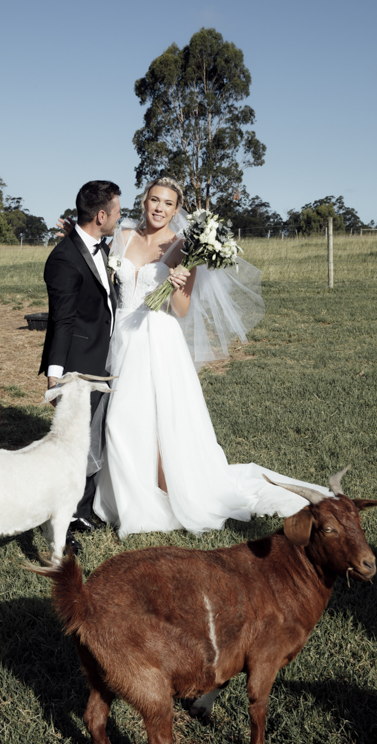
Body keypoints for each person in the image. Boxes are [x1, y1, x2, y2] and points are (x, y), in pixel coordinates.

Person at [92, 176, 330, 538]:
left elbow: (183, 310)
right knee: (121, 419)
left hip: (157, 338)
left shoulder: (183, 246)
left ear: (177, 209)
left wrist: (174, 287)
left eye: (168, 203)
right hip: (121, 335)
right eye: (154, 200)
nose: (159, 208)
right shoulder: (122, 237)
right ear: (144, 201)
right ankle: (126, 496)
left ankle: (163, 495)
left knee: (154, 421)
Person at [40, 180, 121, 551]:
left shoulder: (102, 246)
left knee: (95, 436)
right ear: (101, 216)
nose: (120, 218)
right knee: (73, 447)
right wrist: (56, 376)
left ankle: (85, 509)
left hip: (105, 356)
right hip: (77, 366)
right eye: (117, 212)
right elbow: (62, 320)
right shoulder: (63, 259)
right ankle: (63, 522)